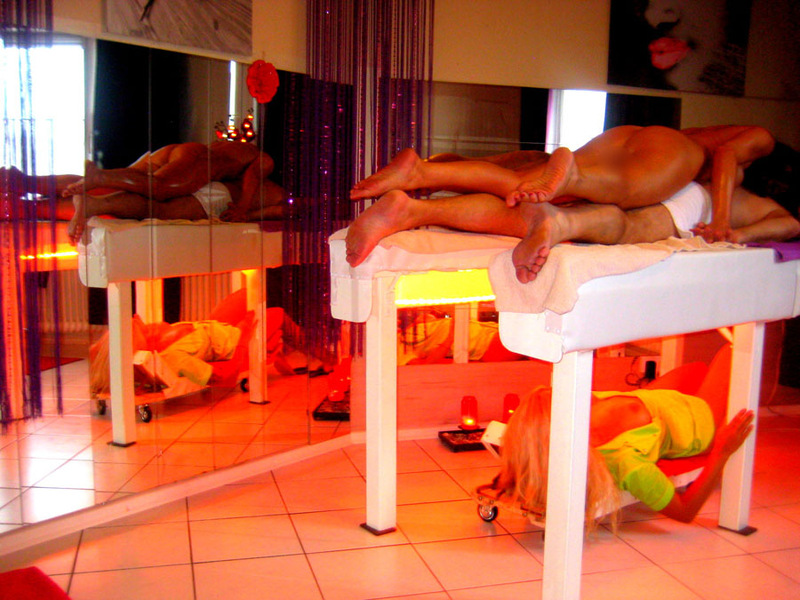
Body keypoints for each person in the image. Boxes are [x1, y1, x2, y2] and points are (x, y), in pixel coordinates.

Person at [351, 125, 775, 239]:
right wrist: (722, 222)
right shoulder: (762, 140)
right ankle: (572, 175)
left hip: (629, 139)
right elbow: (725, 154)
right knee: (620, 191)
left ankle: (422, 173)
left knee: (522, 184)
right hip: (669, 149)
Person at [491, 347, 755, 526]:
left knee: (697, 367)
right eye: (554, 397)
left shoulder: (582, 406)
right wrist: (721, 451)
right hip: (697, 423)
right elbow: (685, 512)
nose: (559, 389)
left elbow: (530, 455)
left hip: (655, 400)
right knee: (735, 349)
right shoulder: (624, 460)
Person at [346, 180, 800, 283]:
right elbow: (790, 224)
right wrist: (737, 234)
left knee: (523, 215)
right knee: (622, 229)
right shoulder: (772, 206)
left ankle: (412, 210)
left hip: (676, 187)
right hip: (692, 203)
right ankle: (561, 225)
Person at [3, 140, 288, 243]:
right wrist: (243, 209)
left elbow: (266, 201)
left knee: (111, 187)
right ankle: (96, 178)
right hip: (196, 160)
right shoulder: (264, 161)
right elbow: (255, 175)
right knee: (159, 192)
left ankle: (25, 186)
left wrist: (247, 209)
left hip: (175, 155)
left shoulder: (241, 157)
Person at [397, 307, 524, 365]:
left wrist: (426, 321)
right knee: (529, 339)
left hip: (484, 330)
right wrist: (452, 337)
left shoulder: (406, 331)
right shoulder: (395, 351)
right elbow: (426, 364)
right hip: (482, 345)